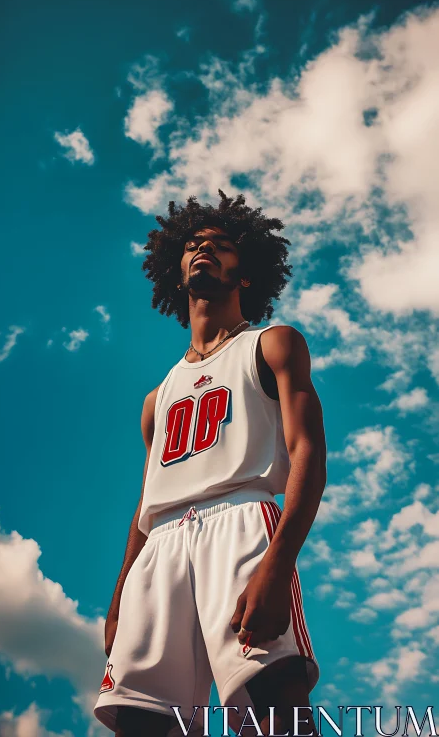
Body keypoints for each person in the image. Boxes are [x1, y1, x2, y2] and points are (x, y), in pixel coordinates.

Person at [94, 191, 327, 737]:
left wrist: (278, 562)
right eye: (194, 245)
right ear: (176, 273)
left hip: (241, 521)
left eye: (220, 246)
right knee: (141, 720)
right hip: (162, 548)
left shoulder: (273, 345)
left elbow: (308, 456)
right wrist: (119, 595)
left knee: (274, 706)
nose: (204, 250)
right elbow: (147, 500)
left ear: (244, 274)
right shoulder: (158, 398)